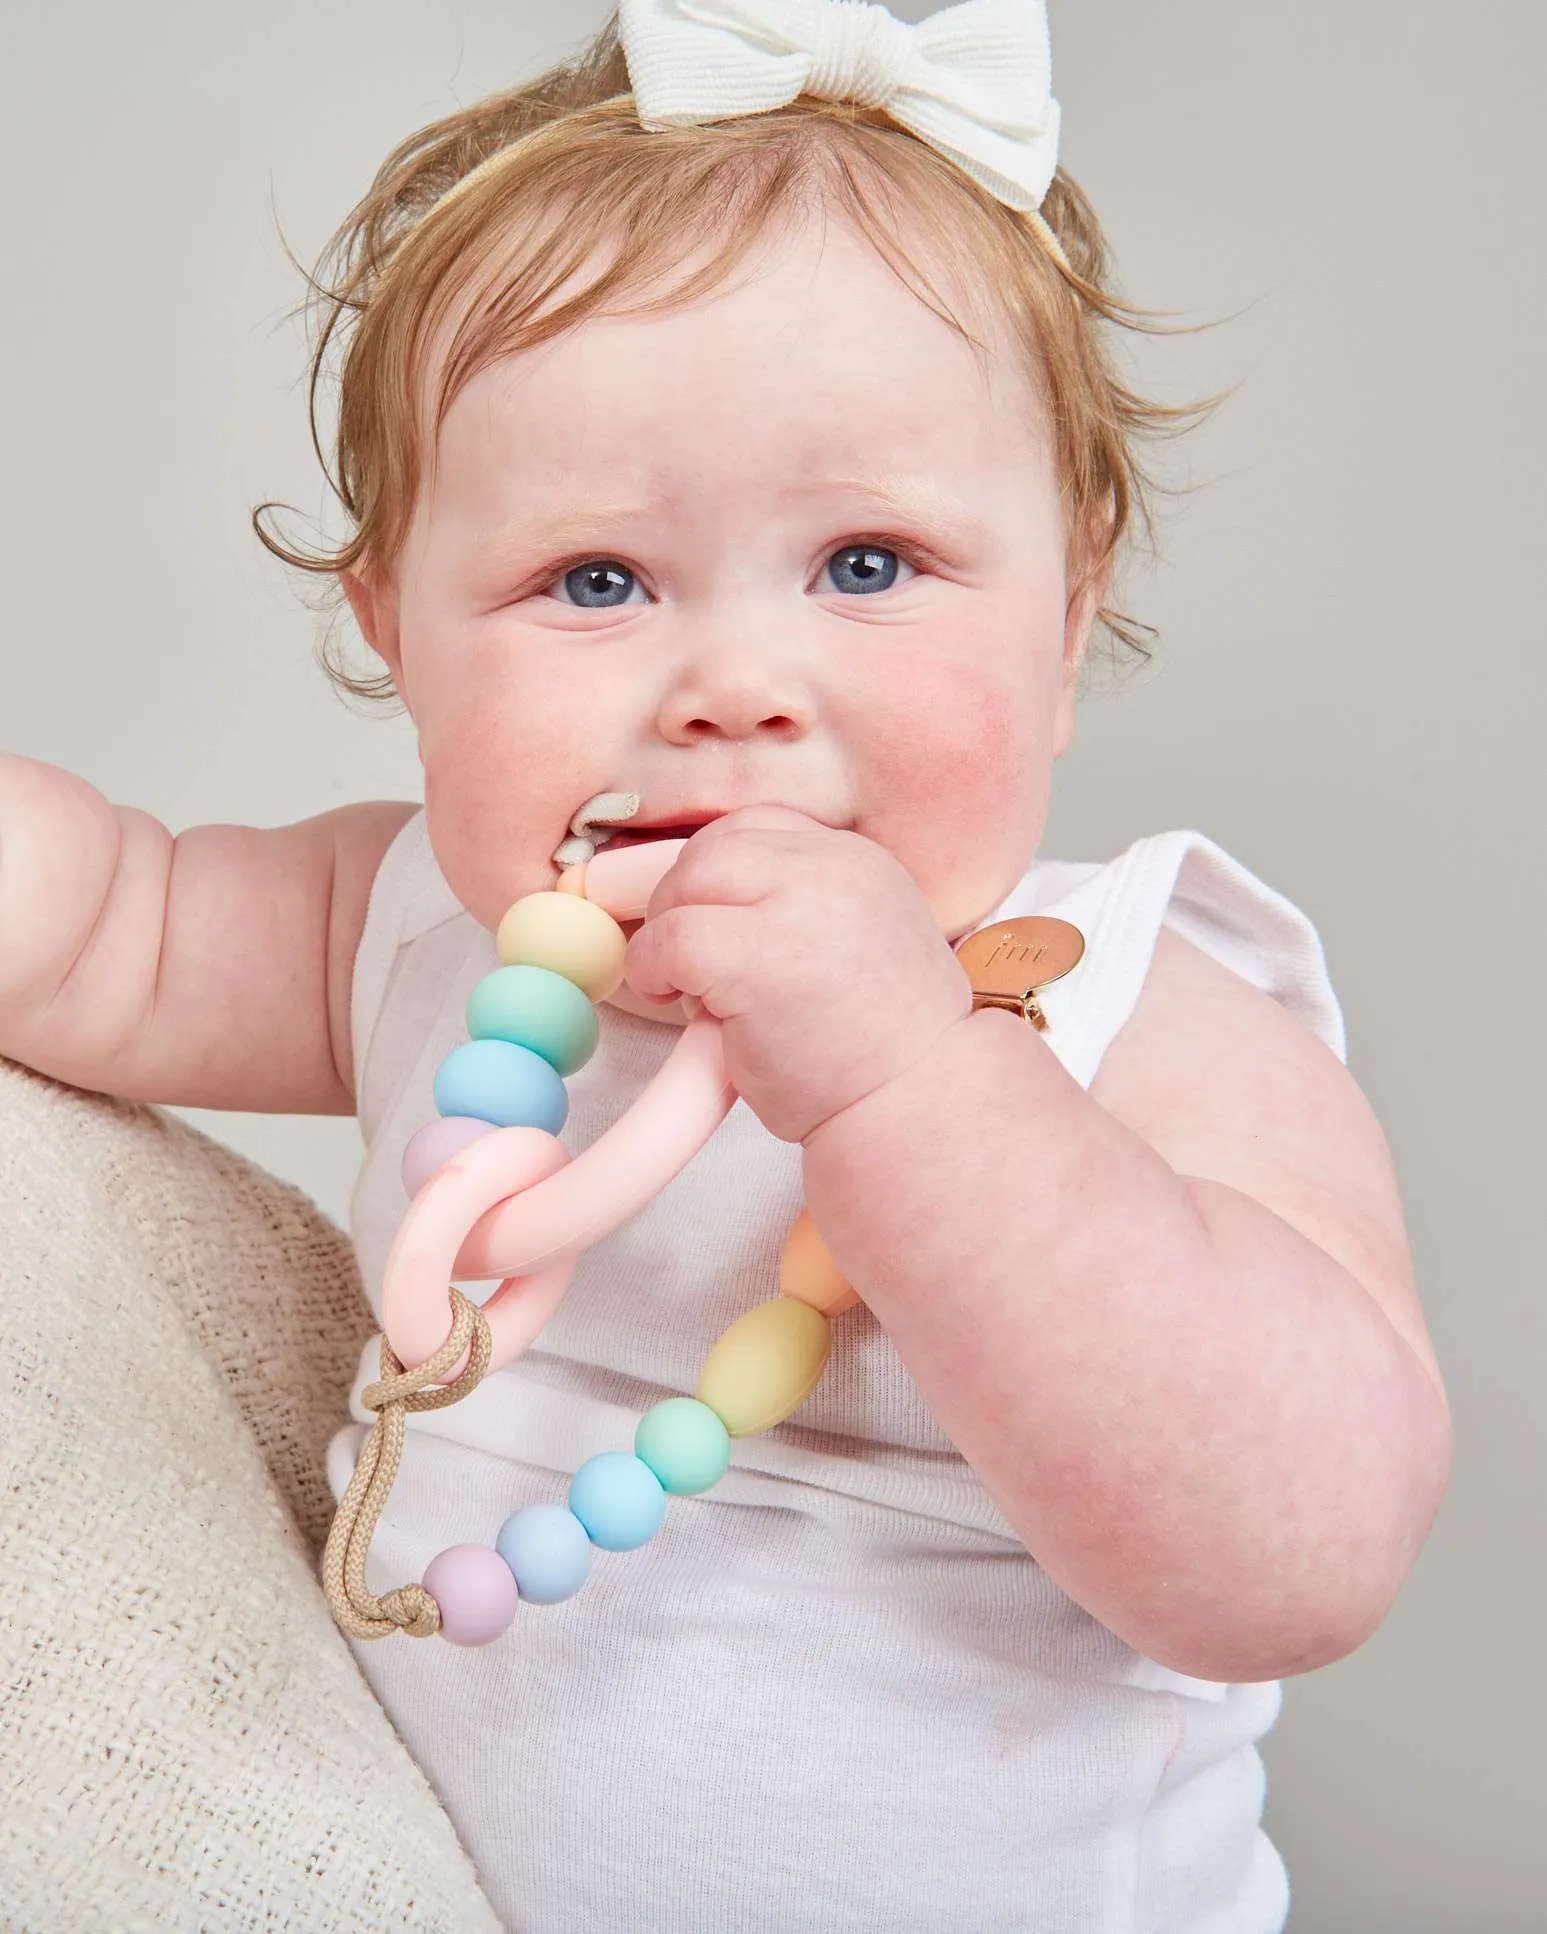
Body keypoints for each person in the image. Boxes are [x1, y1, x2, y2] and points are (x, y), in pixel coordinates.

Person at [0, 3, 1450, 1928]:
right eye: (595, 581)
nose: (735, 690)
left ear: (1070, 618)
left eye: (867, 564)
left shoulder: (1125, 998)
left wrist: (911, 1081)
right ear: (398, 630)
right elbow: (100, 924)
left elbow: (1296, 1550)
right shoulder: (435, 937)